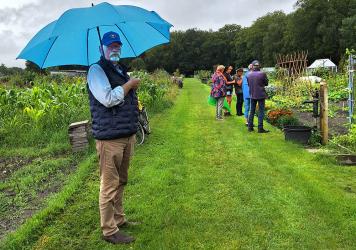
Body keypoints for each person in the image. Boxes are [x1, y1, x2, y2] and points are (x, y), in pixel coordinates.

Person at [87, 31, 140, 244]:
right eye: (110, 46)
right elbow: (108, 99)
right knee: (109, 185)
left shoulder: (119, 69)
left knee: (121, 180)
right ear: (102, 49)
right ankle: (109, 231)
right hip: (110, 139)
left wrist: (128, 84)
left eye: (117, 45)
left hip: (126, 134)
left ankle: (119, 219)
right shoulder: (96, 70)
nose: (115, 49)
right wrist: (129, 86)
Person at [247, 60, 269, 133]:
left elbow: (249, 84)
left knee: (252, 111)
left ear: (252, 66)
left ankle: (250, 127)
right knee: (261, 111)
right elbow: (266, 83)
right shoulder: (262, 74)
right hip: (260, 95)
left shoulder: (249, 74)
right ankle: (260, 128)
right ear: (259, 66)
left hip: (252, 94)